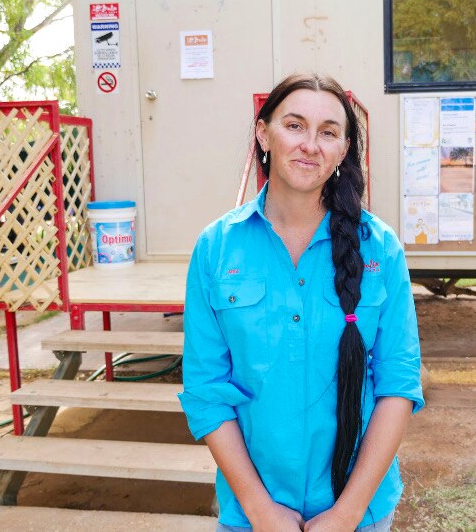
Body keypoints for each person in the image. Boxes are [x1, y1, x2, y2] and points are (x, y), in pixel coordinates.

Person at [178, 73, 424, 532]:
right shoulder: (216, 248)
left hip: (360, 513)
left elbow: (398, 384)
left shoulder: (380, 248)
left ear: (344, 150)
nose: (310, 145)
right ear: (263, 133)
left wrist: (347, 514)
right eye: (294, 125)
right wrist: (259, 509)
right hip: (253, 514)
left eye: (328, 132)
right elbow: (205, 390)